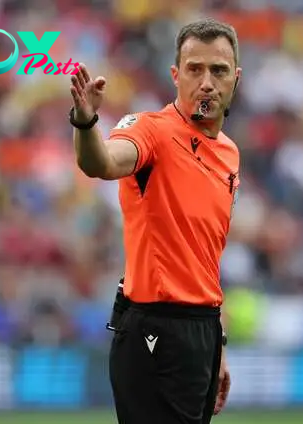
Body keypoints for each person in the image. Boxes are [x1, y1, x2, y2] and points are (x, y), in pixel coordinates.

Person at [68, 17, 241, 424]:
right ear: (175, 76)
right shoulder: (151, 131)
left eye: (218, 70)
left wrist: (218, 343)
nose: (207, 82)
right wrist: (86, 123)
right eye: (195, 69)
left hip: (202, 330)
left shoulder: (230, 153)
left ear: (236, 77)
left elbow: (204, 258)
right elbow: (102, 163)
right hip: (154, 329)